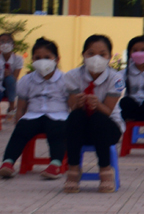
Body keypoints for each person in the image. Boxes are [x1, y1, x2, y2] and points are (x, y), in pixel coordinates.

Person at [63, 34, 125, 193]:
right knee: (75, 117)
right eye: (91, 54)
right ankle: (74, 170)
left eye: (102, 54)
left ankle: (105, 170)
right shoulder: (72, 76)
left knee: (99, 118)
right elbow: (72, 108)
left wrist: (97, 104)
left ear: (109, 57)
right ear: (83, 55)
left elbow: (108, 111)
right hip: (82, 129)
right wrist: (78, 103)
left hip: (108, 128)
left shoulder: (115, 78)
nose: (96, 58)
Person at [0, 38, 69, 180]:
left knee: (57, 132)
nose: (42, 61)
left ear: (57, 59)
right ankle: (8, 163)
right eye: (38, 58)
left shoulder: (65, 79)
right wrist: (18, 121)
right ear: (32, 60)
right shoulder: (27, 80)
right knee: (21, 131)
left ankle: (55, 164)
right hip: (33, 115)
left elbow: (71, 104)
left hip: (58, 115)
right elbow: (22, 106)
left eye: (47, 57)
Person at [0, 32, 23, 116]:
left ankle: (12, 107)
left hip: (10, 88)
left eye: (8, 42)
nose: (5, 44)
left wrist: (8, 74)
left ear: (13, 45)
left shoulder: (18, 59)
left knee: (10, 79)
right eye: (2, 41)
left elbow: (15, 78)